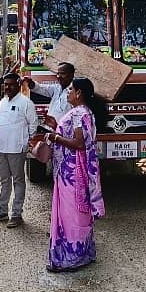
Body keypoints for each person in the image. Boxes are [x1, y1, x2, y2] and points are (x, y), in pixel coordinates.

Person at [43, 77, 106, 273]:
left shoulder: (79, 113)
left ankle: (71, 258)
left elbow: (79, 144)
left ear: (78, 93)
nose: (68, 93)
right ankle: (83, 252)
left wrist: (54, 137)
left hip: (71, 172)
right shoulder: (84, 112)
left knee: (71, 213)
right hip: (72, 170)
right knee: (77, 211)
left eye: (70, 89)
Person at [0, 72, 37, 228]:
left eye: (11, 84)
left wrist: (25, 142)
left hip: (16, 148)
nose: (8, 87)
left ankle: (16, 214)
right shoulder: (3, 102)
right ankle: (2, 211)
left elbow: (33, 125)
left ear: (19, 84)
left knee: (18, 181)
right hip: (2, 148)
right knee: (4, 181)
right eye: (5, 84)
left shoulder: (26, 103)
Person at [24, 61, 75, 130]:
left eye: (62, 73)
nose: (59, 76)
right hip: (50, 130)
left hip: (64, 133)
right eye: (58, 73)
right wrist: (30, 82)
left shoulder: (74, 93)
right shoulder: (57, 88)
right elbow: (40, 88)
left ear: (71, 75)